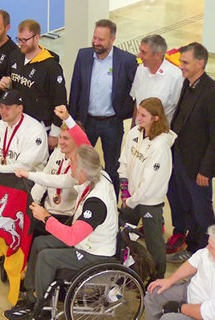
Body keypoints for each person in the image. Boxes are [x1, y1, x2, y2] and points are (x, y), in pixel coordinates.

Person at [4, 145, 119, 320]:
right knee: (40, 243)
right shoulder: (98, 174)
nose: (69, 164)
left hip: (95, 252)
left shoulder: (96, 203)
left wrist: (46, 217)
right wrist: (28, 175)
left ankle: (42, 309)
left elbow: (72, 236)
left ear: (83, 171)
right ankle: (31, 294)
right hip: (85, 241)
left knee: (47, 257)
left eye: (72, 163)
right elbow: (56, 180)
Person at [166, 42, 215, 262]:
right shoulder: (188, 84)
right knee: (187, 206)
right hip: (181, 158)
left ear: (200, 63)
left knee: (202, 211)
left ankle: (213, 252)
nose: (181, 66)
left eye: (185, 62)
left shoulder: (214, 93)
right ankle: (193, 250)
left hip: (199, 165)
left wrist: (206, 170)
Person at [68, 19, 137, 197]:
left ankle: (110, 203)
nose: (96, 43)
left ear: (112, 39)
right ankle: (81, 199)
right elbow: (75, 89)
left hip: (112, 123)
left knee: (112, 167)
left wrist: (124, 111)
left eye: (101, 39)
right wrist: (74, 121)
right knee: (81, 163)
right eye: (95, 38)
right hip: (86, 121)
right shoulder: (83, 56)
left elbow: (135, 91)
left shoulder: (126, 61)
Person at [118, 97, 177, 279]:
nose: (138, 118)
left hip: (149, 202)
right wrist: (125, 188)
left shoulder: (160, 147)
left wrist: (131, 200)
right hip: (131, 198)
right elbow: (124, 161)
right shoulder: (135, 133)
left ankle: (157, 278)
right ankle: (123, 267)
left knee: (154, 243)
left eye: (143, 115)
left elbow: (150, 182)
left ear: (156, 118)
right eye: (138, 112)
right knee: (122, 232)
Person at [0, 19, 67, 151]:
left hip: (40, 127)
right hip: (18, 122)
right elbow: (11, 83)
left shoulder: (51, 67)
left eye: (25, 40)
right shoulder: (15, 56)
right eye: (19, 39)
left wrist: (54, 132)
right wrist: (5, 83)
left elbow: (60, 100)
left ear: (37, 37)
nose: (21, 44)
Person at [27, 105, 91, 236]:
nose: (61, 142)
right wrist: (32, 204)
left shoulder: (82, 162)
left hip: (67, 217)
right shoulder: (56, 154)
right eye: (60, 137)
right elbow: (42, 181)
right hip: (47, 211)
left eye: (66, 138)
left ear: (76, 140)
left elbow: (66, 183)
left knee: (40, 243)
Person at [0, 90, 48, 174]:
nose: (3, 111)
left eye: (7, 108)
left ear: (19, 108)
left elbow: (23, 168)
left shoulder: (35, 130)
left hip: (25, 180)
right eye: (1, 107)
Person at [130, 34, 183, 126]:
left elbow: (180, 111)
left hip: (161, 134)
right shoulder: (140, 70)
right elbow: (137, 103)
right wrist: (133, 129)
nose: (139, 55)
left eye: (144, 52)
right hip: (140, 131)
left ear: (157, 55)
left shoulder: (175, 77)